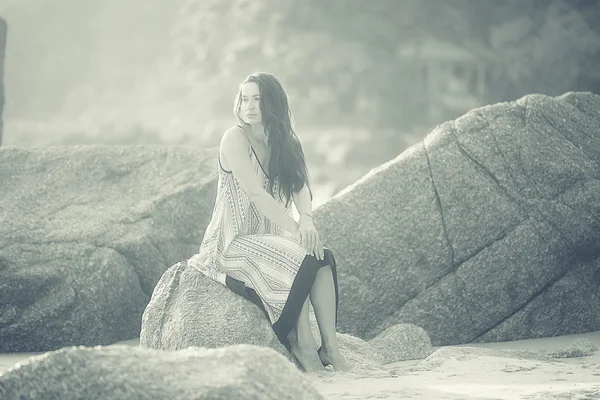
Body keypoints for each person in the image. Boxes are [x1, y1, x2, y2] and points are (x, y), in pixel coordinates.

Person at [190, 72, 349, 372]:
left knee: (322, 257)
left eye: (258, 99)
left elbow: (300, 187)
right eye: (245, 99)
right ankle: (303, 344)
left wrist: (308, 221)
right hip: (232, 241)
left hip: (270, 235)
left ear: (273, 103)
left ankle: (330, 348)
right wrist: (295, 230)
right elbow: (256, 195)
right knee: (300, 255)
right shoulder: (234, 138)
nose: (249, 106)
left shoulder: (286, 141)